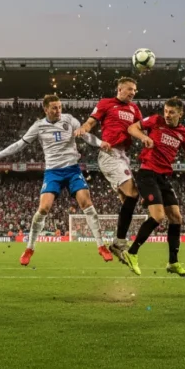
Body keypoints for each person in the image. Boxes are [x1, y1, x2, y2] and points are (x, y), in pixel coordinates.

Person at [0, 94, 113, 265]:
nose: (58, 110)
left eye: (60, 107)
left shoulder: (69, 119)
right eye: (54, 108)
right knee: (44, 208)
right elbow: (19, 144)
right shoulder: (39, 126)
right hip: (53, 172)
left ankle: (101, 245)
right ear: (45, 109)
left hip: (73, 169)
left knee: (86, 204)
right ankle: (30, 248)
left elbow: (85, 135)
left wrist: (99, 143)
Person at [122, 97, 185, 277]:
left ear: (180, 114)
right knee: (158, 216)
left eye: (172, 112)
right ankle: (132, 252)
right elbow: (131, 127)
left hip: (163, 177)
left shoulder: (184, 133)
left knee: (176, 217)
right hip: (147, 173)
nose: (167, 115)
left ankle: (173, 262)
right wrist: (144, 137)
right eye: (166, 111)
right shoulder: (155, 121)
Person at [75, 77, 142, 263]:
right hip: (110, 154)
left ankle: (119, 244)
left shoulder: (134, 109)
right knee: (133, 193)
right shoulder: (106, 103)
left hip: (124, 156)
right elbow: (91, 122)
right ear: (119, 89)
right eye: (129, 89)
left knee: (127, 199)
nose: (133, 93)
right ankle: (120, 242)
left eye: (135, 90)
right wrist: (83, 128)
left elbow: (142, 128)